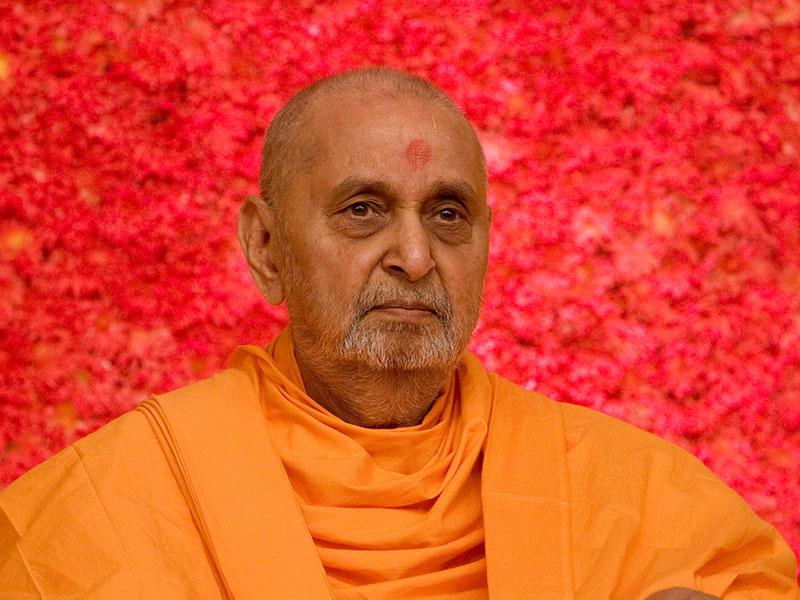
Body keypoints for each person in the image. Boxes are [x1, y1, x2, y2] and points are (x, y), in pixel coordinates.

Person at [0, 68, 797, 599]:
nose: (415, 258)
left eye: (448, 214)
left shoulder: (628, 494)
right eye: (363, 210)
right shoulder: (116, 502)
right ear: (267, 249)